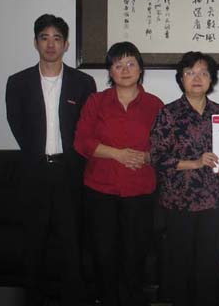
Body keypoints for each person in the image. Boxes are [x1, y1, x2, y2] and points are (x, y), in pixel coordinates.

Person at [5, 14, 97, 306]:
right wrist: (36, 155)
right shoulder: (18, 82)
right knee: (33, 241)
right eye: (44, 37)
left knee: (72, 241)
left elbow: (87, 127)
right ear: (35, 42)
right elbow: (17, 125)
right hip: (34, 172)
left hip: (69, 172)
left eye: (57, 38)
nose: (50, 44)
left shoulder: (83, 82)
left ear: (66, 44)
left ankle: (75, 297)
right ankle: (33, 297)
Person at [73, 41, 163, 306]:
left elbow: (164, 147)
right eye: (118, 65)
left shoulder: (155, 104)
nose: (125, 70)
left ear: (140, 69)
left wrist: (146, 157)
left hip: (140, 191)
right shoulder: (96, 101)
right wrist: (118, 154)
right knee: (104, 255)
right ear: (110, 71)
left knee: (135, 256)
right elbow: (81, 141)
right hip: (100, 191)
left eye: (131, 64)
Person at [150, 51, 219, 306]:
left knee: (208, 265)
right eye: (190, 73)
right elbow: (157, 158)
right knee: (179, 265)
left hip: (212, 202)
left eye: (203, 73)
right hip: (178, 203)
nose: (197, 78)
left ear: (211, 79)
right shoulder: (168, 113)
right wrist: (195, 162)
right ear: (181, 78)